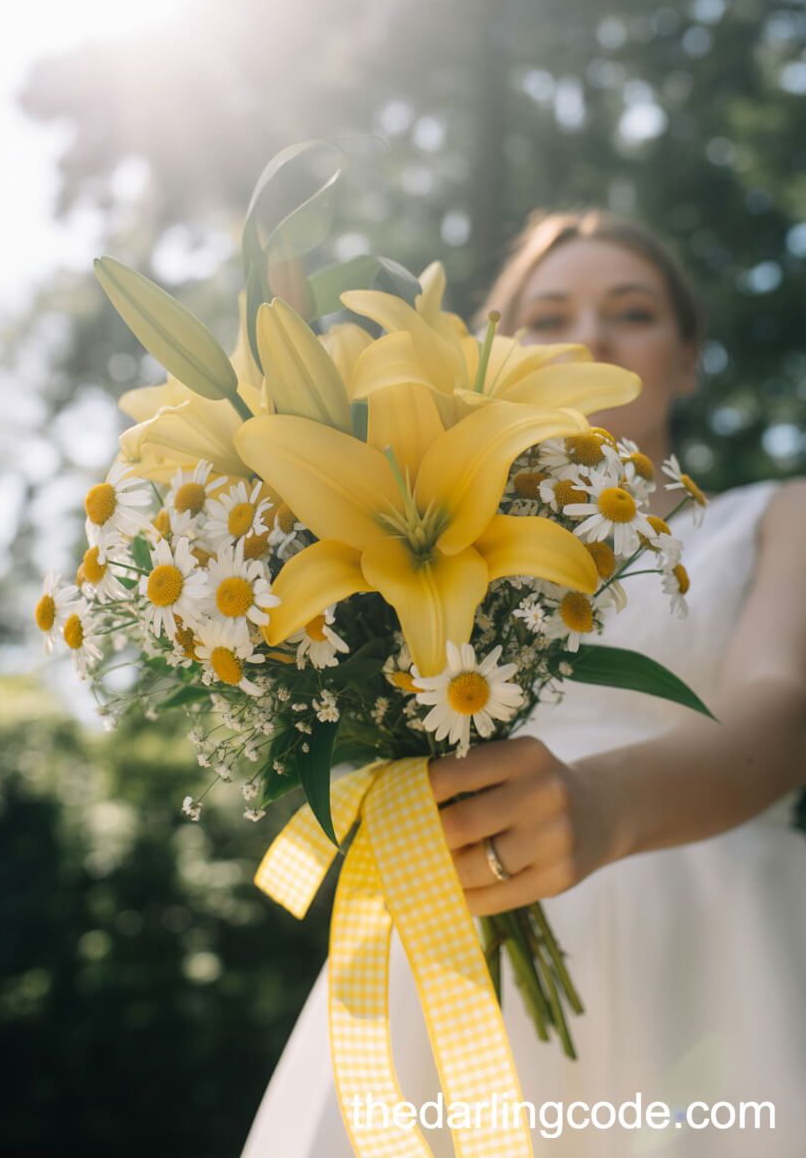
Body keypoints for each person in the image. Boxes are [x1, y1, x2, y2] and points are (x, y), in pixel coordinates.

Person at [240, 209, 806, 1157]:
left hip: (713, 942)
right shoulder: (413, 529)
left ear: (689, 357)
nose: (588, 337)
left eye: (631, 311)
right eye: (548, 318)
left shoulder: (777, 515)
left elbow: (783, 704)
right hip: (450, 942)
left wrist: (604, 807)